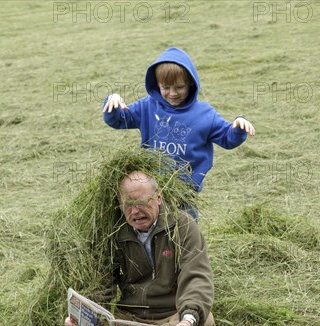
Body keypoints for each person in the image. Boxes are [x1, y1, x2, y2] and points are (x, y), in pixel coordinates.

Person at [64, 171, 215, 326]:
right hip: (130, 318)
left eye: (142, 202)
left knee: (203, 321)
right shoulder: (113, 233)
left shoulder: (183, 226)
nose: (135, 212)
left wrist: (186, 321)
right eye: (128, 205)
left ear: (159, 198)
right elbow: (101, 284)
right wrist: (81, 320)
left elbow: (197, 276)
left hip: (172, 314)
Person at [102, 47, 255, 211]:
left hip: (185, 194)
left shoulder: (205, 115)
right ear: (156, 83)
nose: (172, 93)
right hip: (150, 190)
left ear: (191, 82)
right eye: (165, 87)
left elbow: (227, 138)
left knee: (184, 232)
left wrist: (238, 127)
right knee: (151, 230)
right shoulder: (147, 107)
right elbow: (119, 120)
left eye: (179, 87)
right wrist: (113, 103)